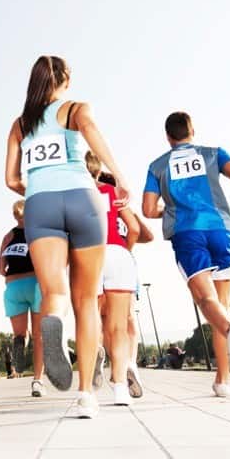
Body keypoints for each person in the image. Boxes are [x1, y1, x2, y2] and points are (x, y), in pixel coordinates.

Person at [5, 56, 130, 419]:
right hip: (82, 196)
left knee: (55, 293)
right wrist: (118, 176)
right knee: (87, 300)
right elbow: (90, 128)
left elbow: (11, 180)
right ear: (66, 80)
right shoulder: (75, 108)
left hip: (39, 204)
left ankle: (53, 325)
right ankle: (86, 396)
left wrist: (38, 188)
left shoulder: (20, 124)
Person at [142, 111, 230, 397]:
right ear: (193, 130)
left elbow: (147, 209)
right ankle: (222, 381)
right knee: (221, 304)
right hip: (221, 230)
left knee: (206, 301)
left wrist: (168, 209)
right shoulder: (213, 154)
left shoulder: (158, 166)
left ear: (168, 137)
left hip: (187, 232)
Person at [85, 151, 139, 406]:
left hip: (88, 253)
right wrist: (124, 249)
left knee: (91, 318)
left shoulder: (73, 195)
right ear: (98, 171)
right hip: (117, 253)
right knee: (119, 326)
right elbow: (135, 228)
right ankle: (119, 388)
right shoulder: (111, 192)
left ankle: (95, 355)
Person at [0, 199, 45, 397]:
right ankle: (37, 381)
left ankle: (19, 347)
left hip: (13, 287)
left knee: (21, 334)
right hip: (34, 284)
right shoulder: (37, 233)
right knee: (39, 337)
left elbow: (1, 269)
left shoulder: (8, 237)